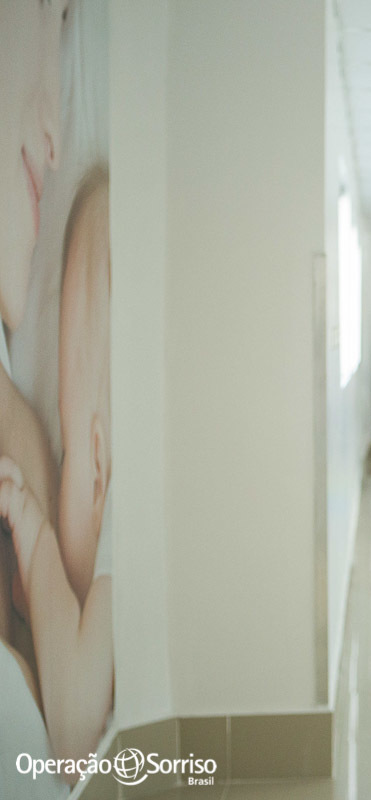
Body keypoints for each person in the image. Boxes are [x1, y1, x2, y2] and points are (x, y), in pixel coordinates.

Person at [0, 167, 113, 783]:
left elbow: (73, 743)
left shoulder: (123, 526)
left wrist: (39, 543)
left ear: (96, 465)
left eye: (67, 454)